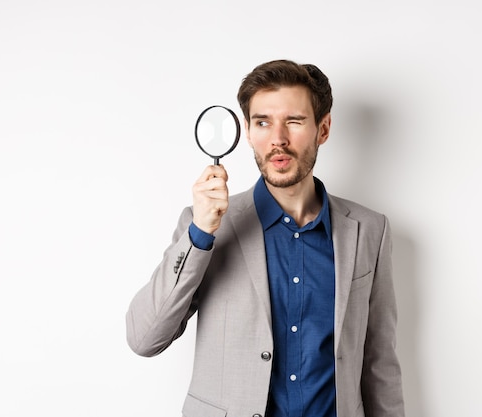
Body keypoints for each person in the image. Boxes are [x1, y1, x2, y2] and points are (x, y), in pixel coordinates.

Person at [126, 59, 405, 417]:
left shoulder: (369, 231)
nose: (278, 139)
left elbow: (380, 364)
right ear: (247, 132)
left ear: (323, 128)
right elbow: (144, 338)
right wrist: (200, 235)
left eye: (294, 120)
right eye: (263, 122)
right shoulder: (207, 228)